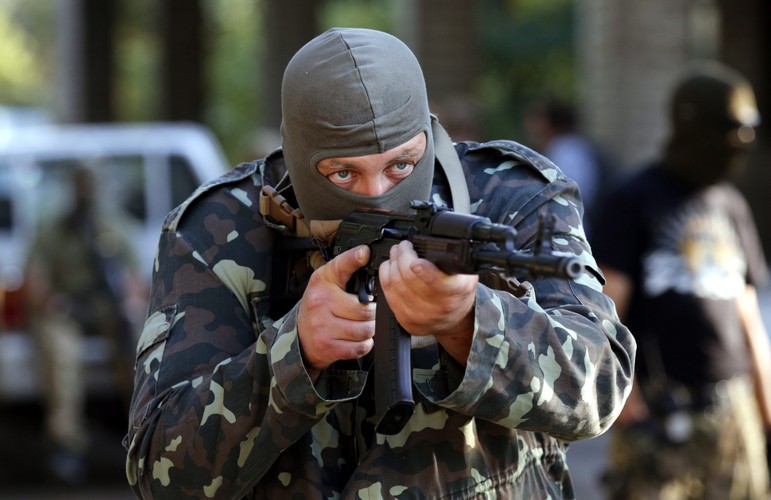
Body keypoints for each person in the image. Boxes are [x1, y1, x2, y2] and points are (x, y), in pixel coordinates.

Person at [124, 27, 635, 498]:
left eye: (402, 165)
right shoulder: (216, 232)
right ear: (299, 156)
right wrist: (293, 353)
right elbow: (159, 476)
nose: (377, 195)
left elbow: (601, 388)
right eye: (341, 174)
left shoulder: (513, 196)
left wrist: (472, 325)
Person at [593, 62, 771, 499]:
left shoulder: (729, 204)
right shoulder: (632, 199)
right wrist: (626, 403)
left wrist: (766, 412)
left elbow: (748, 315)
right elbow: (604, 309)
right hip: (662, 411)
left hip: (732, 410)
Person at [25, 166, 144, 485]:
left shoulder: (114, 227)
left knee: (138, 345)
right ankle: (66, 444)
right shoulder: (55, 230)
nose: (86, 190)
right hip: (66, 309)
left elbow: (134, 277)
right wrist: (51, 303)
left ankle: (145, 430)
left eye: (91, 183)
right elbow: (36, 279)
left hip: (105, 309)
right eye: (81, 183)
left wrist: (128, 304)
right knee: (62, 353)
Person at [524, 96, 607, 234]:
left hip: (568, 232)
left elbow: (569, 195)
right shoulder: (561, 149)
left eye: (536, 119)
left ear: (547, 122)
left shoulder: (567, 152)